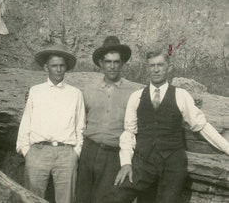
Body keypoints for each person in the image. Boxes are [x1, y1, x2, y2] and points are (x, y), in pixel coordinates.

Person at [106, 48, 229, 203]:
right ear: (147, 68)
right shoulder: (136, 97)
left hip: (172, 164)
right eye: (152, 66)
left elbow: (201, 126)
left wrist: (227, 148)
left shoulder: (181, 95)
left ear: (168, 67)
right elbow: (129, 132)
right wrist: (126, 164)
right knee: (117, 195)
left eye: (160, 65)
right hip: (143, 163)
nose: (156, 70)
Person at [76, 36, 150, 203]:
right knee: (82, 198)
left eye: (116, 62)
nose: (112, 66)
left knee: (106, 199)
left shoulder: (134, 92)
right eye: (108, 61)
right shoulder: (89, 90)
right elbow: (79, 122)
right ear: (101, 63)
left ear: (122, 63)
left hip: (113, 155)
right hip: (88, 151)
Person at [16, 44, 85, 203]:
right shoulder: (35, 91)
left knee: (66, 200)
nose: (59, 69)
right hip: (38, 152)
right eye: (54, 65)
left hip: (66, 153)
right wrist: (26, 150)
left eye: (62, 65)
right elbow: (26, 121)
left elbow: (80, 127)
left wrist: (76, 153)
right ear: (46, 67)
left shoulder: (75, 94)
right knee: (33, 199)